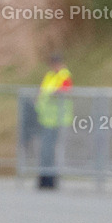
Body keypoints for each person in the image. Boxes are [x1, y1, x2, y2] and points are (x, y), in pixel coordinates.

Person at [35, 53, 73, 190]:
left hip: (59, 120)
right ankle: (44, 177)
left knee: (56, 150)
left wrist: (53, 93)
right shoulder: (49, 76)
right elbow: (42, 93)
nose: (55, 65)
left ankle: (53, 178)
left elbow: (65, 91)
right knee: (45, 150)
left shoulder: (64, 76)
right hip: (46, 119)